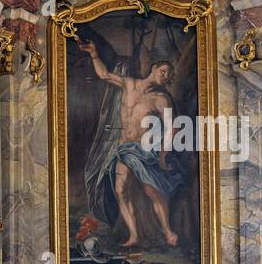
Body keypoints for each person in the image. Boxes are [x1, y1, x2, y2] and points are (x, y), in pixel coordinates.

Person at [77, 39, 184, 249]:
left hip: (144, 150)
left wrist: (162, 155)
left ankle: (168, 231)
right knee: (121, 189)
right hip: (124, 148)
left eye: (169, 75)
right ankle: (134, 235)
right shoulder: (129, 84)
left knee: (151, 191)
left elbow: (173, 128)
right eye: (164, 71)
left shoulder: (162, 99)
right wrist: (94, 55)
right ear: (154, 68)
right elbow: (104, 74)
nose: (166, 76)